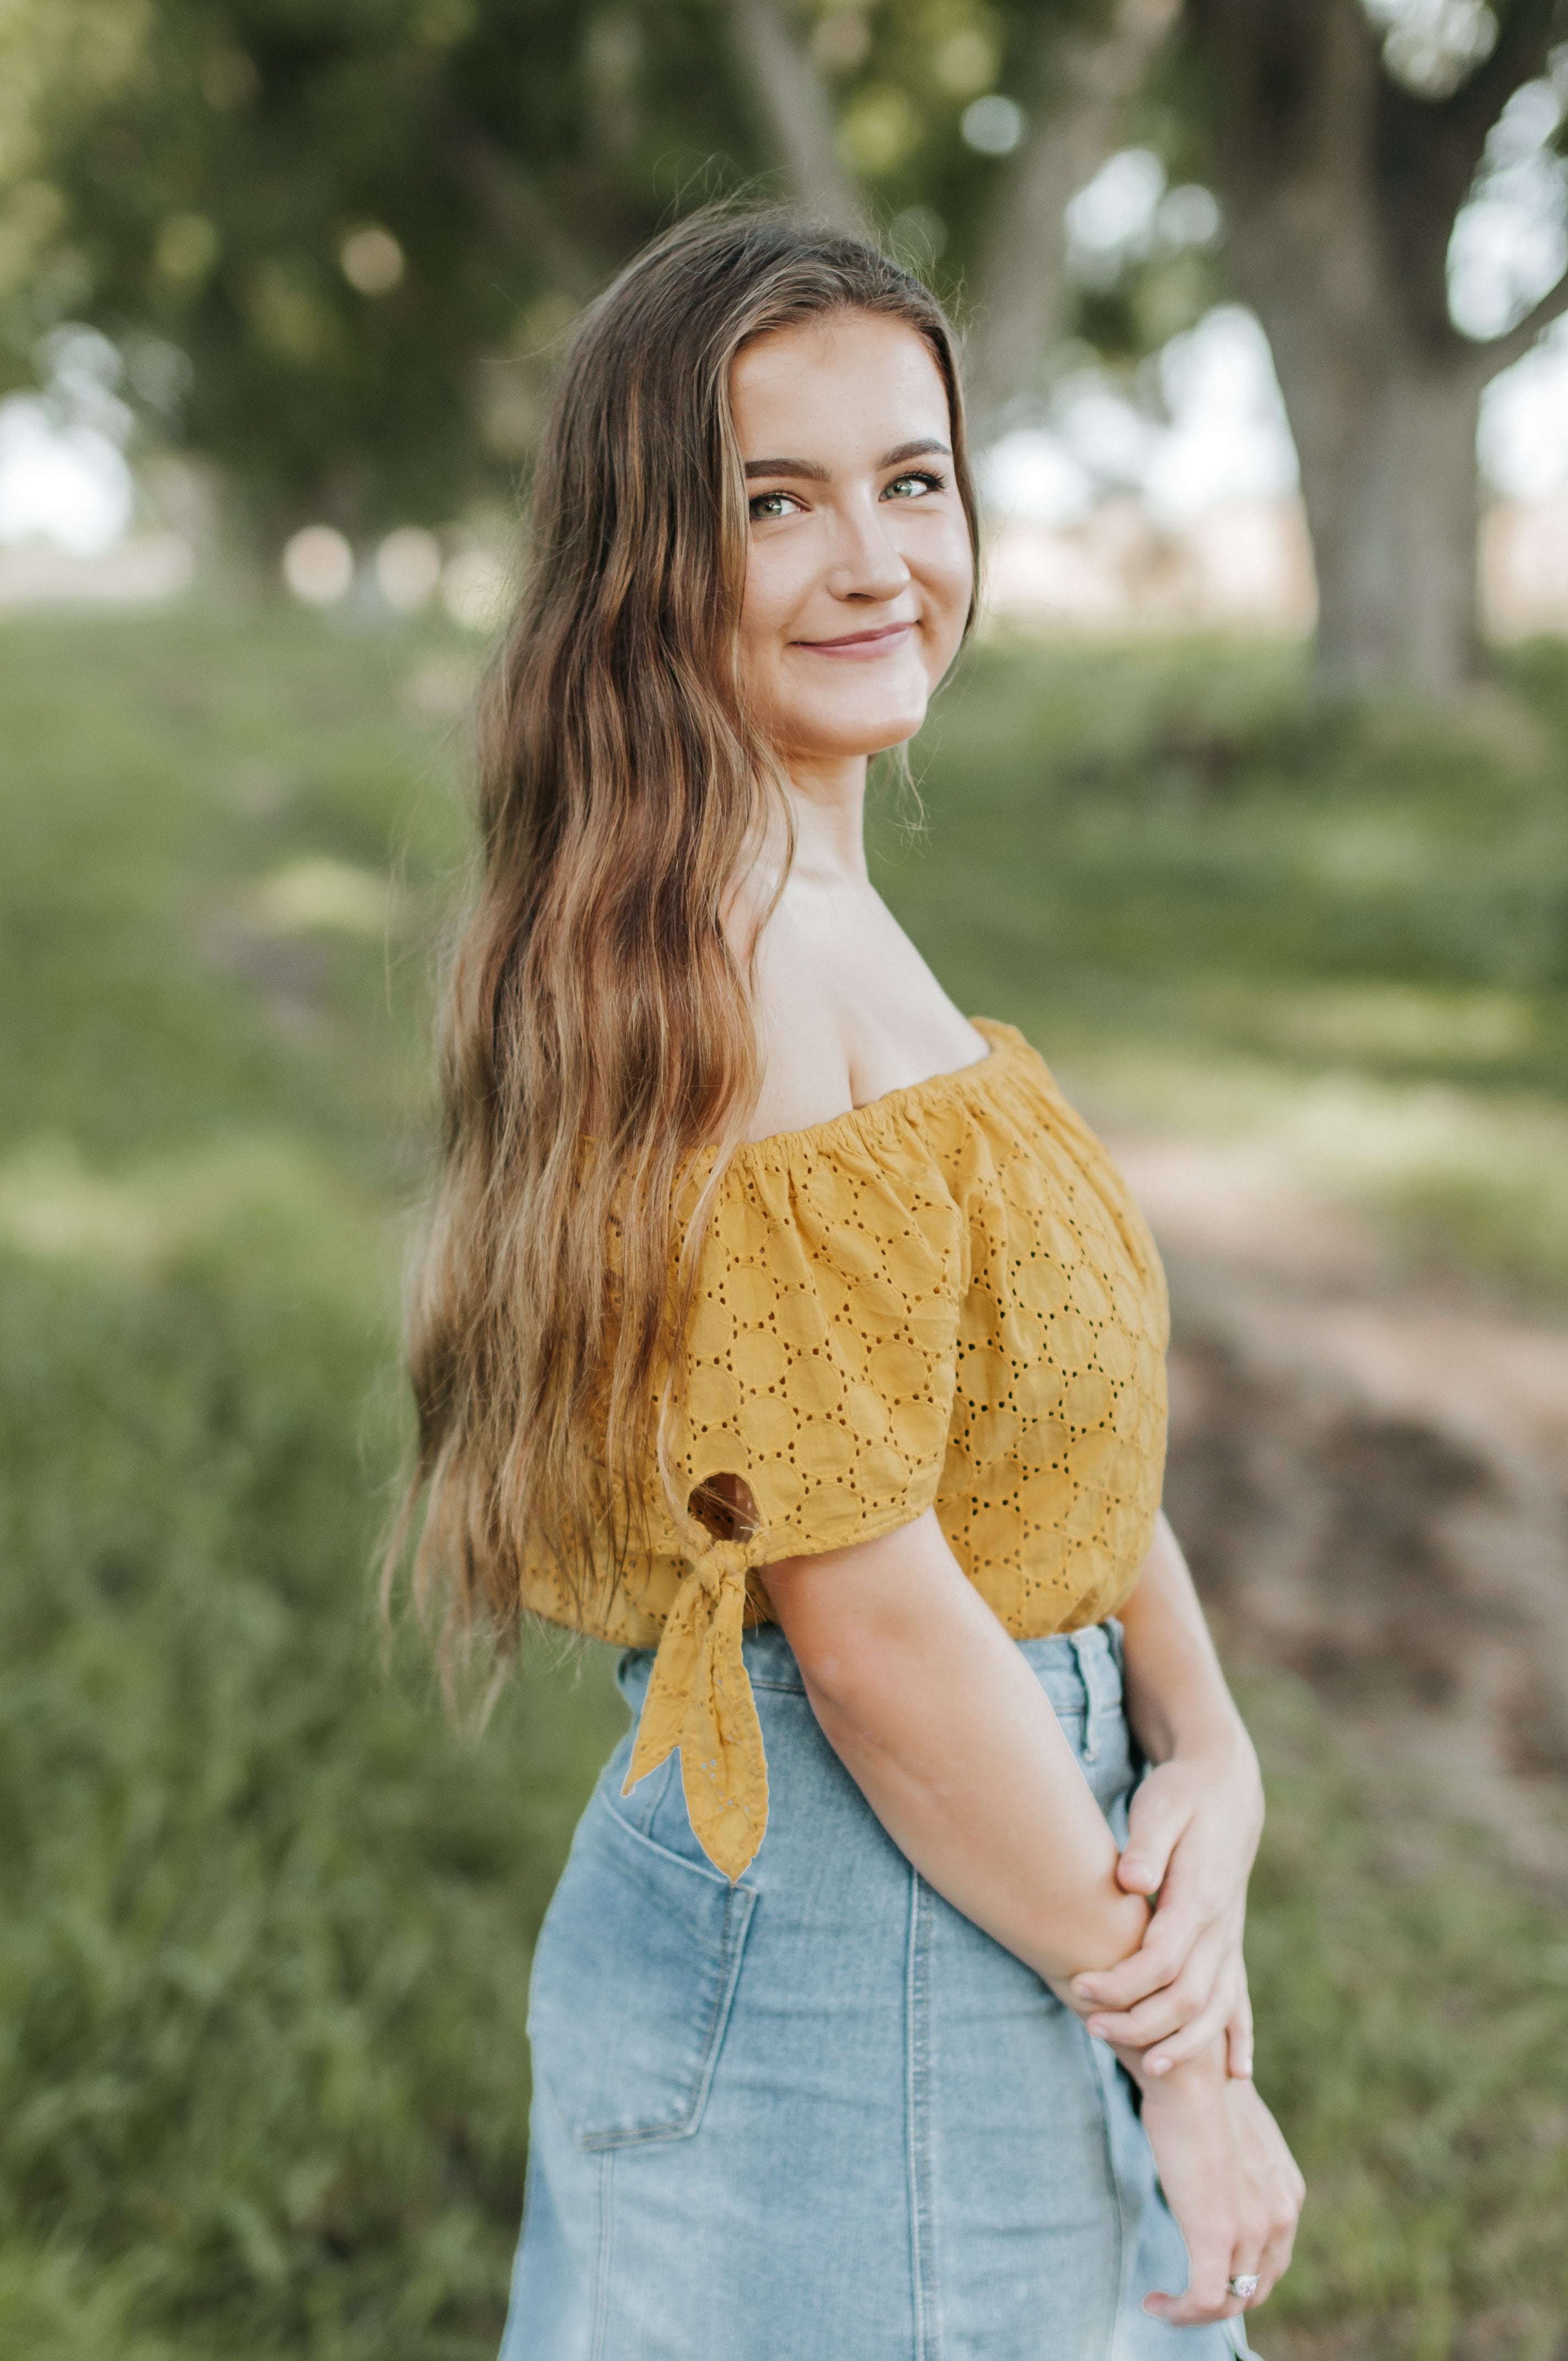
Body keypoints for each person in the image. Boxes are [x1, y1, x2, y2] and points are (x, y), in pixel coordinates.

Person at [395, 208, 1305, 2360]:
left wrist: (1208, 1746)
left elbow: (1033, 1429)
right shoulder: (743, 972)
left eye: (911, 479)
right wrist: (1184, 2058)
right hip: (865, 1941)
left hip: (975, 1876)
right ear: (647, 560)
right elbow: (875, 1621)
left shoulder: (817, 911)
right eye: (774, 504)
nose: (874, 560)